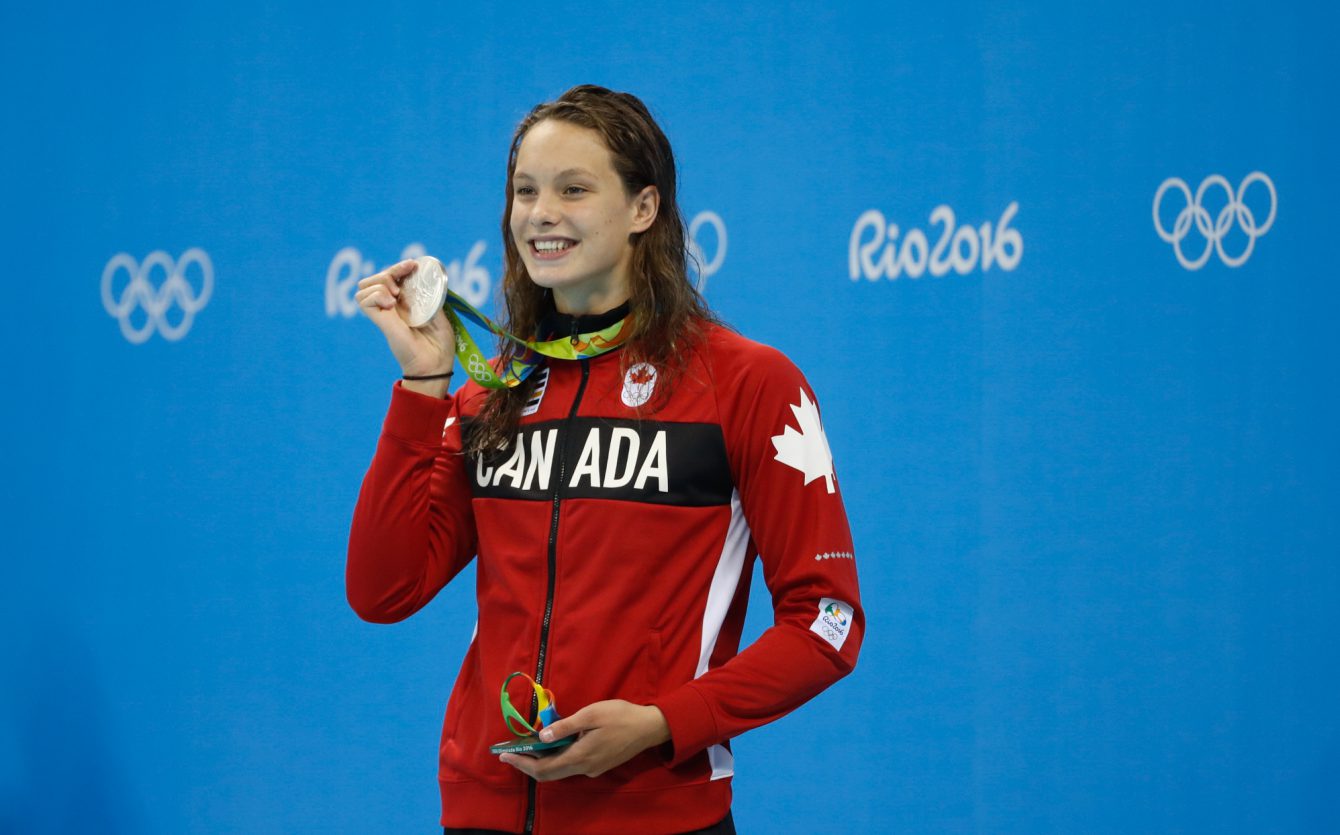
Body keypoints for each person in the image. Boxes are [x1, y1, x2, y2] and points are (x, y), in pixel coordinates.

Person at [346, 85, 863, 835]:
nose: (539, 213)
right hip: (482, 809)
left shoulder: (746, 384)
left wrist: (663, 721)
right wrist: (425, 383)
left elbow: (829, 619)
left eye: (573, 189)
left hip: (653, 812)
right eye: (525, 190)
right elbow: (383, 589)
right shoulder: (495, 392)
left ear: (644, 209)